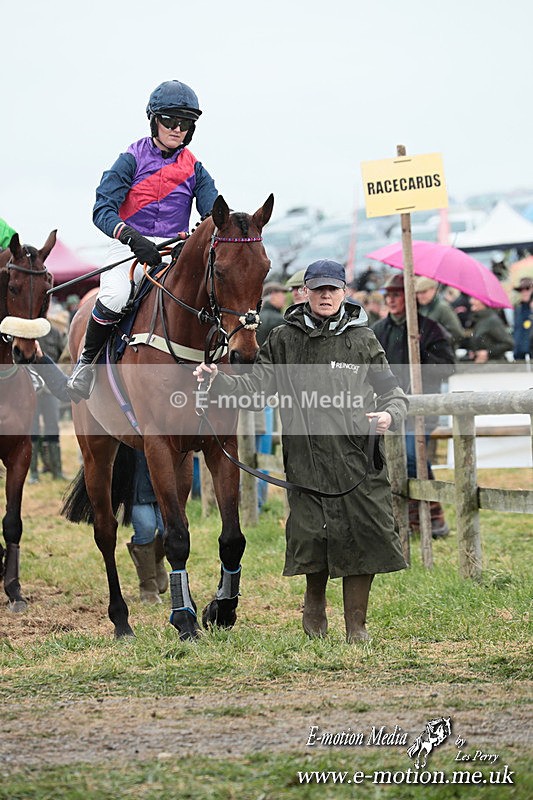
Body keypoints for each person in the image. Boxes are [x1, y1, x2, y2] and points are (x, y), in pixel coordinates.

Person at [194, 259, 408, 643]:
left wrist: (390, 414)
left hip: (358, 460)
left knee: (365, 534)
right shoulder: (283, 339)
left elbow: (393, 392)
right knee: (312, 539)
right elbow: (256, 392)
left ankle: (357, 628)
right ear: (305, 292)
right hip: (306, 462)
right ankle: (314, 621)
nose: (326, 296)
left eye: (333, 289)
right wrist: (218, 382)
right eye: (318, 289)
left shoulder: (364, 339)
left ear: (345, 292)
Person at [66, 79, 219, 402]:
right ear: (154, 120)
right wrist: (132, 237)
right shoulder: (130, 159)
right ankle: (85, 365)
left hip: (172, 249)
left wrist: (195, 239)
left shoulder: (196, 169)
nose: (177, 129)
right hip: (129, 245)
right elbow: (102, 209)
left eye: (185, 123)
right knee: (117, 295)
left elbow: (213, 215)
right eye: (170, 121)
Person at [373, 274, 455, 539]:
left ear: (408, 297)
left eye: (396, 294)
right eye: (388, 295)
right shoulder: (378, 330)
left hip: (420, 405)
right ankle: (408, 516)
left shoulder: (429, 329)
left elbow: (448, 366)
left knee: (411, 455)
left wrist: (421, 358)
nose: (391, 300)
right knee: (388, 459)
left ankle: (433, 515)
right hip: (387, 405)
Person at [29, 313, 68, 483]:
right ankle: (33, 474)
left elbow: (64, 356)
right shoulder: (25, 333)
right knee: (33, 430)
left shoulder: (54, 332)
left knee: (53, 428)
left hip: (51, 390)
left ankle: (56, 471)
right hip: (31, 390)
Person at [127, 451, 168, 604]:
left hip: (161, 479)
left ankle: (155, 561)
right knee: (146, 527)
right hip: (134, 480)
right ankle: (148, 586)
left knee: (167, 529)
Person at [414, 277, 465, 346]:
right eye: (417, 293)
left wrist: (437, 343)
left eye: (423, 292)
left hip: (440, 353)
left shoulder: (443, 308)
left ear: (433, 290)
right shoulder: (420, 307)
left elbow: (457, 334)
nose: (419, 296)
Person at [465, 298, 514, 363]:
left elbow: (508, 343)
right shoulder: (479, 319)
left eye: (475, 299)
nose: (471, 301)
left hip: (494, 366)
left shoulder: (492, 321)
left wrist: (487, 353)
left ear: (483, 302)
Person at [256, 282, 289, 346]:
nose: (285, 298)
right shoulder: (280, 320)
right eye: (282, 294)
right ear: (273, 295)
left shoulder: (255, 318)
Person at [512, 277, 533, 361]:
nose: (524, 292)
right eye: (521, 290)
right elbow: (517, 330)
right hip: (519, 355)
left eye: (527, 289)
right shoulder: (518, 309)